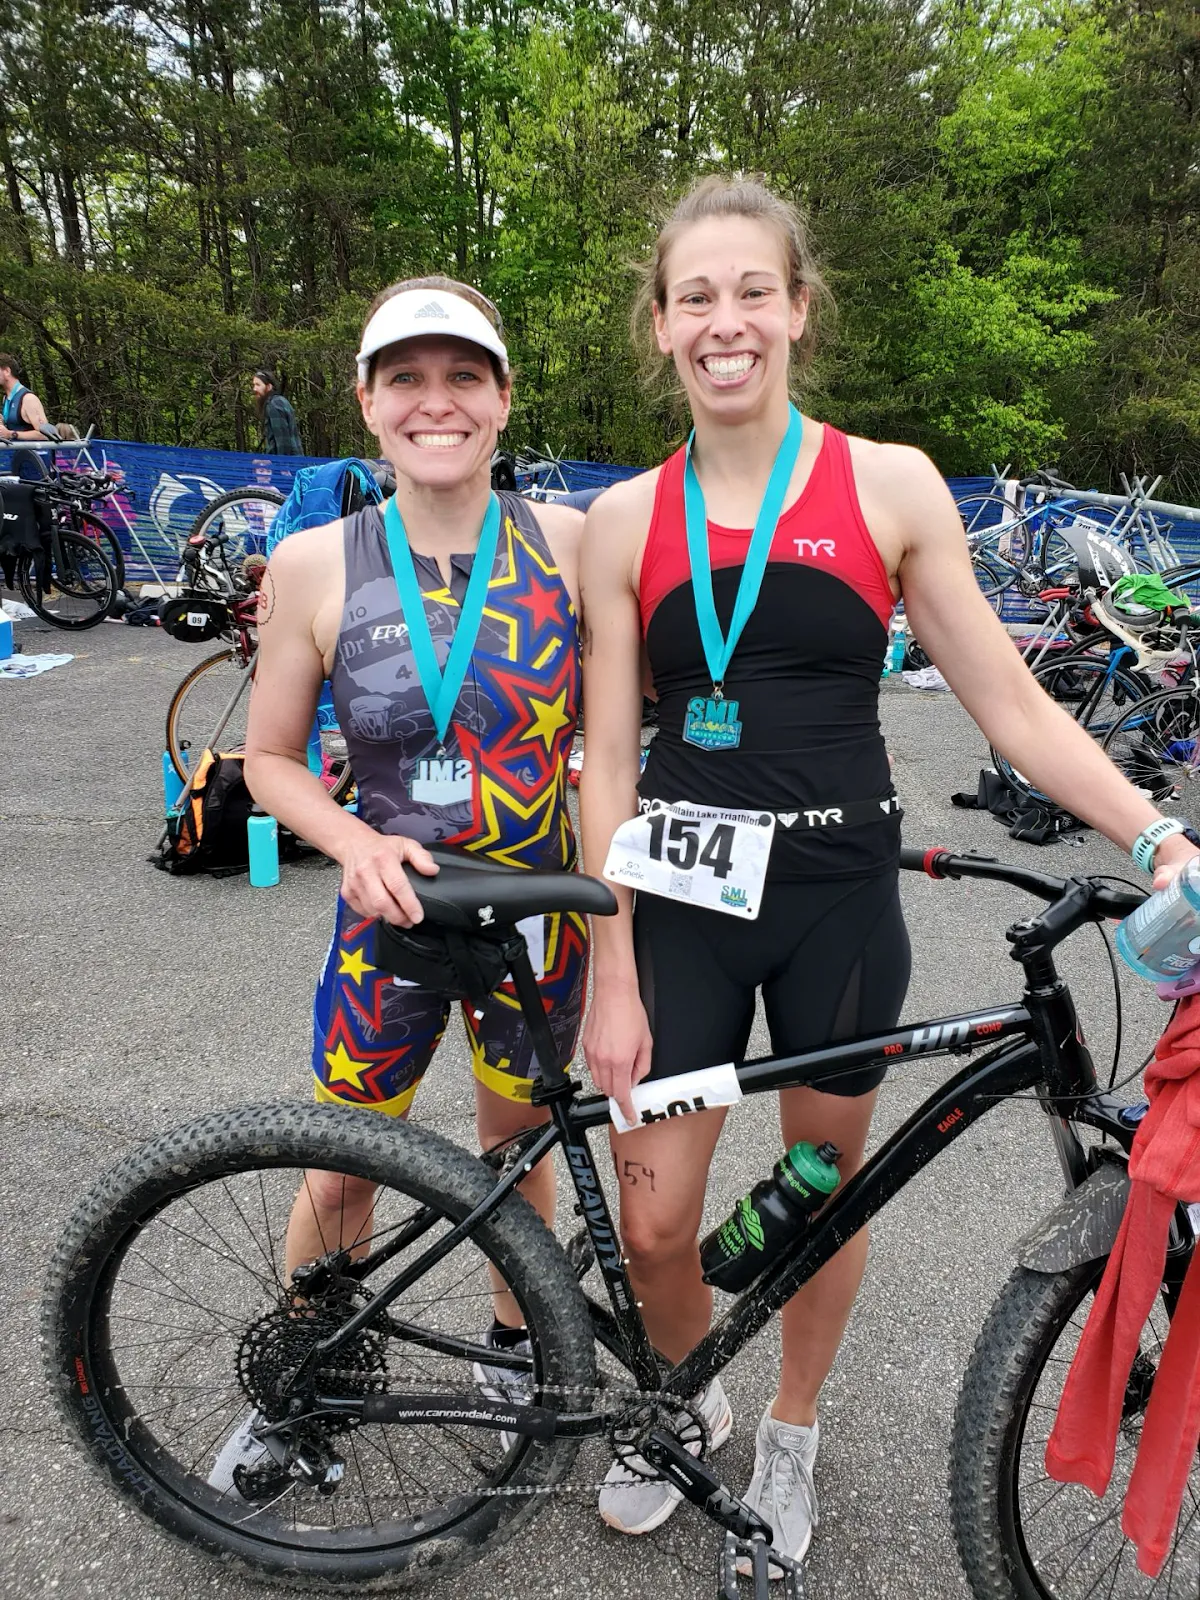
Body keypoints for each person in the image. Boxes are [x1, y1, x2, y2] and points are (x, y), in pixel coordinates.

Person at [577, 175, 1200, 1568]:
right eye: (696, 297)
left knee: (820, 1189)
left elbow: (1014, 707)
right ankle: (688, 1393)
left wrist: (1157, 834)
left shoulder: (888, 484)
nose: (726, 321)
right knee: (656, 1220)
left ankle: (792, 1426)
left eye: (753, 291)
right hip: (679, 904)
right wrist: (608, 964)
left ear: (798, 308)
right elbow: (605, 758)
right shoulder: (623, 518)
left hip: (837, 905)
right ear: (661, 324)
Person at [207, 278, 586, 1495]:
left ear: (503, 398)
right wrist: (349, 841)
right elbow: (269, 759)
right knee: (343, 1163)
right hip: (389, 916)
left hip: (537, 915)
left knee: (515, 1154)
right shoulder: (314, 558)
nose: (437, 402)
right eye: (406, 379)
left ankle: (516, 1350)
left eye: (464, 376)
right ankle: (302, 1374)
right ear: (368, 403)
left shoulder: (574, 543)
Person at [252, 368, 303, 455]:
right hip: (291, 460)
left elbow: (283, 442)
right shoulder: (280, 401)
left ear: (269, 387)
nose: (254, 389)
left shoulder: (274, 405)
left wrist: (281, 462)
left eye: (258, 385)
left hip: (287, 461)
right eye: (254, 385)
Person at [0, 354, 49, 443]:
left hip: (31, 451)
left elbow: (45, 434)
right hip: (14, 451)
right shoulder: (6, 399)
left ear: (7, 371)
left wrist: (11, 434)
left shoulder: (28, 399)